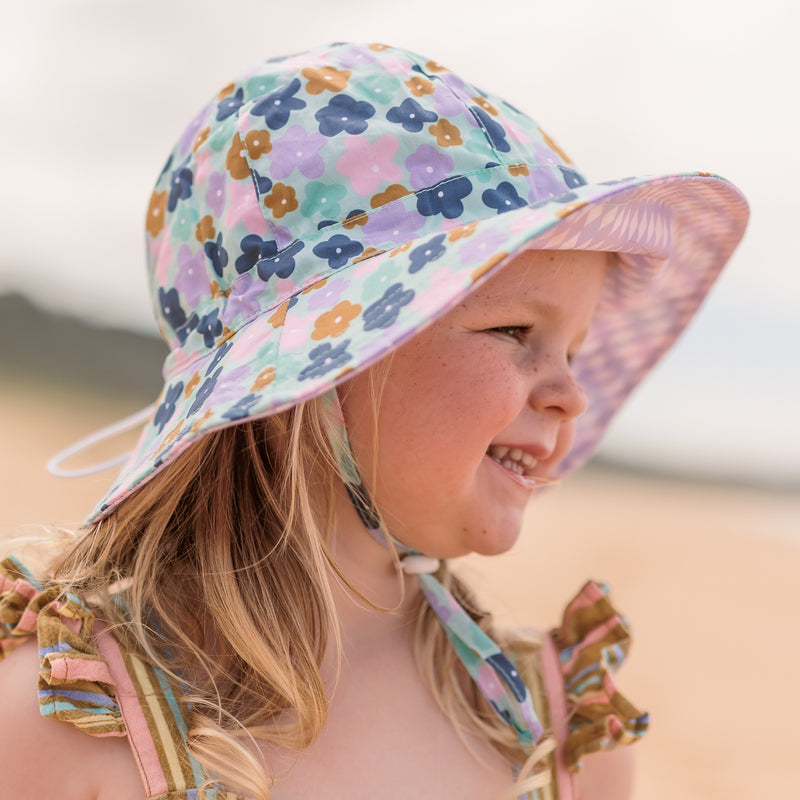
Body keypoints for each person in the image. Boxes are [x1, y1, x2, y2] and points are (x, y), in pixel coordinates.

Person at [0, 42, 748, 800]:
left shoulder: (554, 733)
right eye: (516, 333)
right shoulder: (73, 716)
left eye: (576, 350)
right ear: (321, 367)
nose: (571, 395)